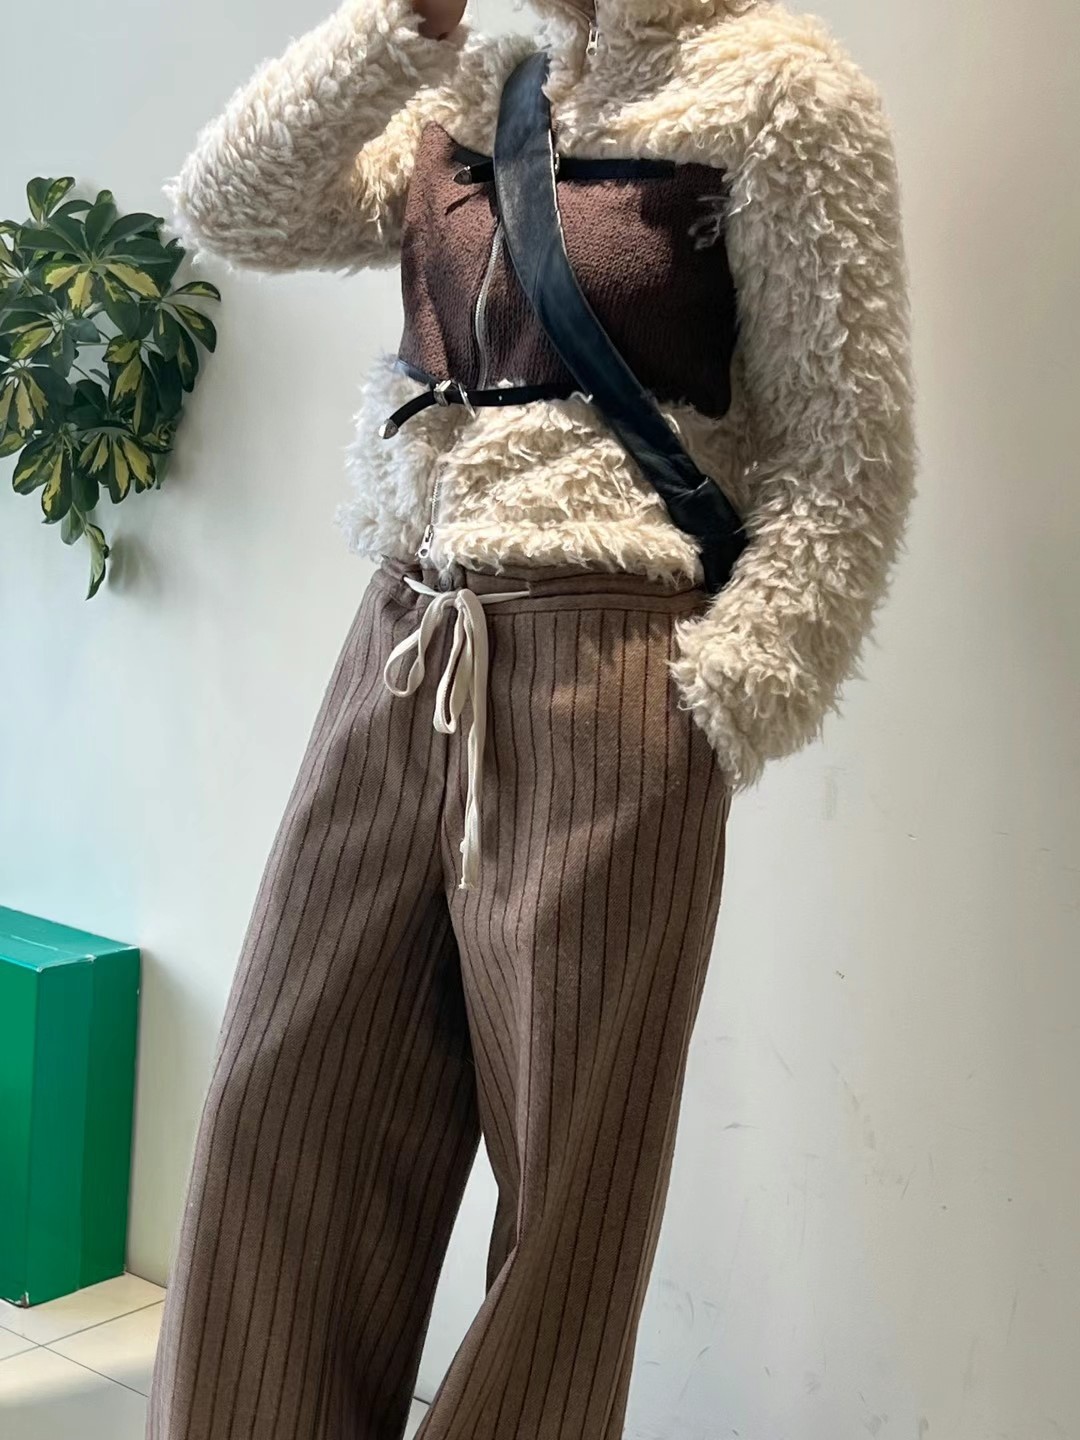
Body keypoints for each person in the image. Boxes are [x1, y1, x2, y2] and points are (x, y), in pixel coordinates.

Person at [147, 0, 915, 1436]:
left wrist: (717, 701)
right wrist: (397, 27)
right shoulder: (485, 84)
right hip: (404, 642)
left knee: (567, 1203)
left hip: (610, 670)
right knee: (280, 1112)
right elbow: (230, 205)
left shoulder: (780, 95)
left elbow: (846, 458)